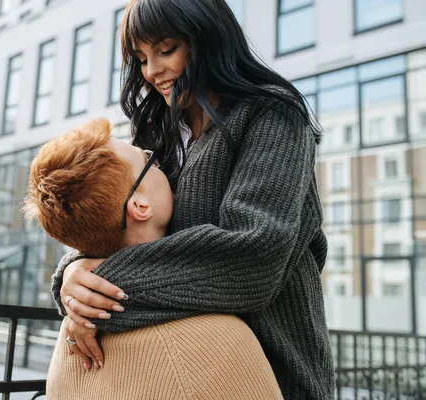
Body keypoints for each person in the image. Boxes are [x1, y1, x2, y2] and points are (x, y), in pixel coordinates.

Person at [51, 0, 335, 399]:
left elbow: (255, 256)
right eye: (141, 58)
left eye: (166, 50)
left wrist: (101, 289)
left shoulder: (272, 115)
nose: (151, 71)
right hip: (169, 368)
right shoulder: (156, 129)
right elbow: (120, 222)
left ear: (207, 37)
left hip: (272, 366)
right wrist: (74, 274)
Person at [25, 118, 283, 399]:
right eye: (148, 160)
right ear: (140, 205)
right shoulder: (220, 340)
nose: (161, 164)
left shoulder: (73, 331)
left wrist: (75, 269)